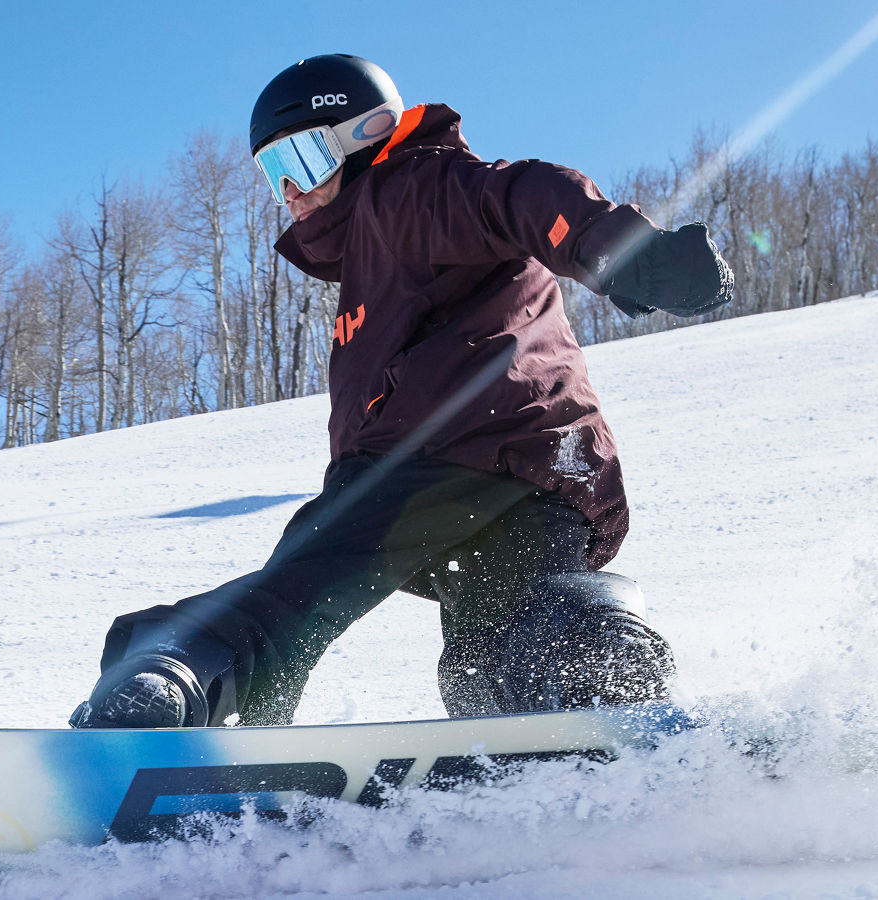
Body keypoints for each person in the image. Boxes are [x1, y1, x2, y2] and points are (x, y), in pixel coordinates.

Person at [70, 54, 735, 730]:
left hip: (449, 453)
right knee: (496, 657)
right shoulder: (373, 254)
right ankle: (603, 690)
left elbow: (522, 195)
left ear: (366, 134)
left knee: (298, 587)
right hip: (542, 469)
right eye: (273, 176)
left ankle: (169, 677)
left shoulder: (407, 192)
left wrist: (622, 251)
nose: (290, 192)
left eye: (299, 161)